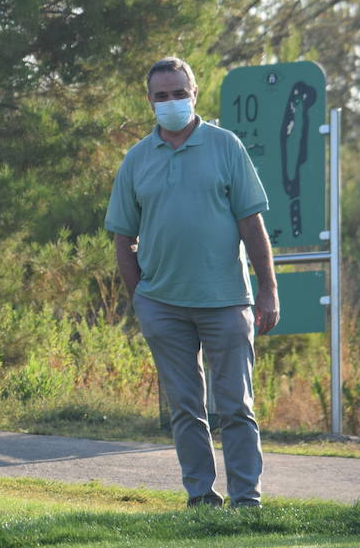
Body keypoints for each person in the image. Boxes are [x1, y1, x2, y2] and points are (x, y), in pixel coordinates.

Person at [104, 56, 279, 509]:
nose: (171, 102)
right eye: (161, 96)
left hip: (225, 300)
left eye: (178, 93)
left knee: (236, 406)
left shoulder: (225, 146)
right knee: (186, 409)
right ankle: (201, 497)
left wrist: (268, 289)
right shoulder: (137, 159)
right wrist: (139, 298)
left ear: (194, 92)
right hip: (163, 304)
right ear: (150, 102)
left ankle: (246, 500)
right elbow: (124, 237)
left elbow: (252, 224)